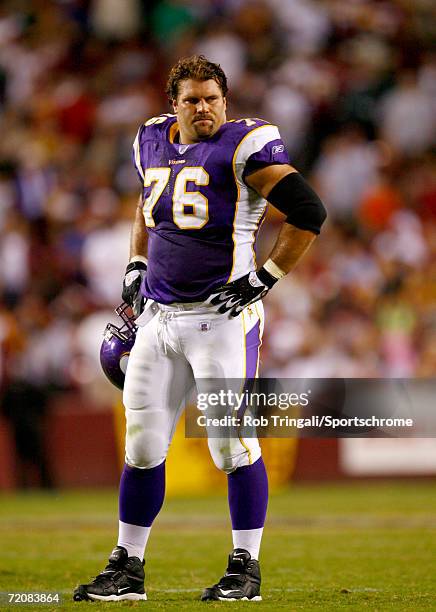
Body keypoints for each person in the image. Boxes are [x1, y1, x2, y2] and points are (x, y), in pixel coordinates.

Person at [73, 55, 326, 603]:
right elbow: (147, 208)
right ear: (174, 105)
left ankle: (245, 567)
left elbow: (309, 211)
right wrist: (136, 264)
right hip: (159, 318)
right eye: (192, 99)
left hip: (222, 318)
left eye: (212, 98)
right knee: (142, 446)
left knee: (232, 446)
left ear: (225, 100)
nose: (204, 108)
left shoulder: (245, 145)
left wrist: (265, 278)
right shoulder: (149, 140)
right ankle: (128, 568)